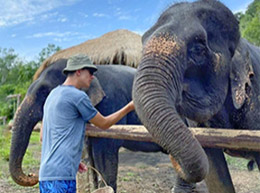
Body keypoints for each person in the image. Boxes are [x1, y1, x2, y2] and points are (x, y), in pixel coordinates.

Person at [39, 54, 135, 193]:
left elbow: (44, 136)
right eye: (90, 72)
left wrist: (72, 160)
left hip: (46, 174)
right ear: (79, 71)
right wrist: (129, 107)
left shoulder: (53, 95)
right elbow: (104, 123)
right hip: (62, 177)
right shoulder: (78, 97)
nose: (93, 77)